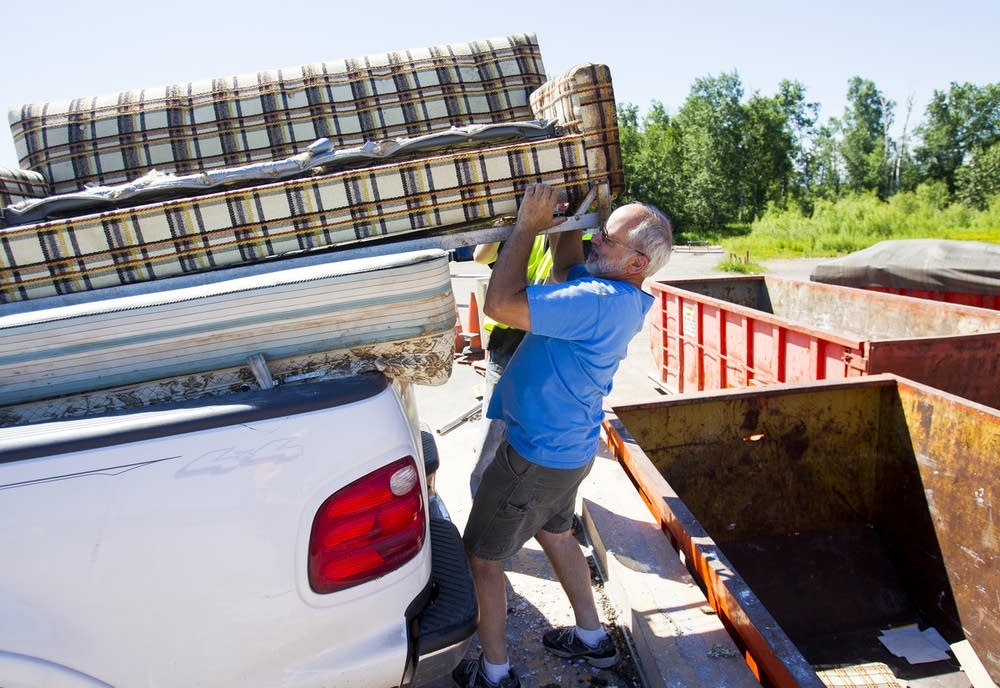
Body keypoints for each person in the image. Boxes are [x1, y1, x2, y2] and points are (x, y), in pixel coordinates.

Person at [452, 184, 673, 688]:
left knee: (483, 557)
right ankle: (594, 640)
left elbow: (500, 304)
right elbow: (567, 266)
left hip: (534, 458)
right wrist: (570, 221)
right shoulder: (620, 296)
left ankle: (495, 672)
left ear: (637, 262)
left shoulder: (595, 302)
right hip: (568, 453)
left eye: (608, 239)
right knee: (555, 533)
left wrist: (529, 225)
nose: (597, 240)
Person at [469, 235, 553, 497]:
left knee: (497, 426)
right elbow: (481, 256)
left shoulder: (522, 224)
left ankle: (483, 496)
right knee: (529, 428)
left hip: (517, 341)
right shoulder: (575, 228)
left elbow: (482, 256)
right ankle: (487, 499)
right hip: (533, 343)